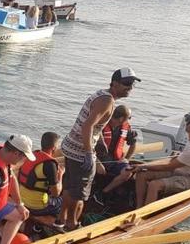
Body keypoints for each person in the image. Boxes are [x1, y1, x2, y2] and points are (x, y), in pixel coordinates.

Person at [57, 68, 139, 231]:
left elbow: (94, 125)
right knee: (79, 193)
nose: (130, 88)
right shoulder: (107, 101)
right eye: (126, 84)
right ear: (114, 83)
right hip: (80, 151)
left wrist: (100, 141)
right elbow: (88, 126)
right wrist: (89, 153)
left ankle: (60, 220)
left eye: (132, 84)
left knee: (70, 187)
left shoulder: (102, 95)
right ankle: (71, 224)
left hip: (71, 146)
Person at [134, 112, 190, 208]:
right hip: (179, 171)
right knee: (142, 174)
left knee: (154, 185)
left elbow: (168, 166)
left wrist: (142, 166)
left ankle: (145, 216)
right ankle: (138, 208)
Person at [93, 105, 138, 202]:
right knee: (98, 172)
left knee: (128, 172)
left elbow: (133, 144)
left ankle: (104, 192)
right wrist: (97, 163)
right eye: (128, 118)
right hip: (98, 160)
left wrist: (127, 158)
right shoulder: (101, 125)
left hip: (116, 161)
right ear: (122, 118)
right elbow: (89, 145)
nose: (128, 120)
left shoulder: (125, 128)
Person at [18, 132, 65, 217]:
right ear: (54, 148)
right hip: (38, 207)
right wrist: (60, 175)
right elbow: (56, 193)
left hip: (22, 201)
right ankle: (58, 223)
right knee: (66, 200)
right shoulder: (50, 164)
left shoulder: (32, 156)